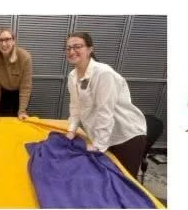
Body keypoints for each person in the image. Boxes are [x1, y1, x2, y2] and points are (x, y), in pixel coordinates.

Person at [63, 32, 148, 179]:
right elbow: (75, 106)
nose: (71, 51)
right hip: (102, 134)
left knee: (123, 180)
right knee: (102, 178)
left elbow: (105, 112)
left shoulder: (103, 74)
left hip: (125, 136)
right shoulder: (72, 76)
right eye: (68, 48)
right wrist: (71, 130)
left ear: (90, 49)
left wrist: (98, 145)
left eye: (77, 46)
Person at [0, 28, 32, 119]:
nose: (4, 44)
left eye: (7, 39)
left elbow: (25, 87)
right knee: (1, 120)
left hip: (20, 93)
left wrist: (22, 111)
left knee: (20, 119)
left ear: (13, 41)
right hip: (3, 93)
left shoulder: (25, 57)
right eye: (0, 40)